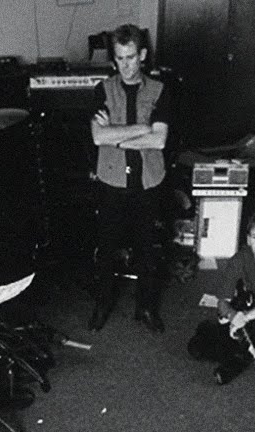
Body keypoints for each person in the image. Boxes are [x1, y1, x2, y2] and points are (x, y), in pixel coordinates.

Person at [87, 24, 173, 334]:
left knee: (147, 249)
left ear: (143, 55)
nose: (125, 65)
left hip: (148, 180)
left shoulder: (160, 91)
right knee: (106, 247)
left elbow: (159, 141)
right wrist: (141, 129)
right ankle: (102, 305)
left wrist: (117, 136)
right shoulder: (102, 90)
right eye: (120, 58)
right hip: (112, 180)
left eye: (131, 57)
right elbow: (98, 137)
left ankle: (146, 308)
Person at [187, 206, 255, 384]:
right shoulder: (240, 259)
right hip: (244, 313)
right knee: (196, 348)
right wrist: (232, 316)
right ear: (248, 239)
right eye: (254, 237)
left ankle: (242, 358)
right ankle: (249, 352)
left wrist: (244, 317)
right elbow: (223, 300)